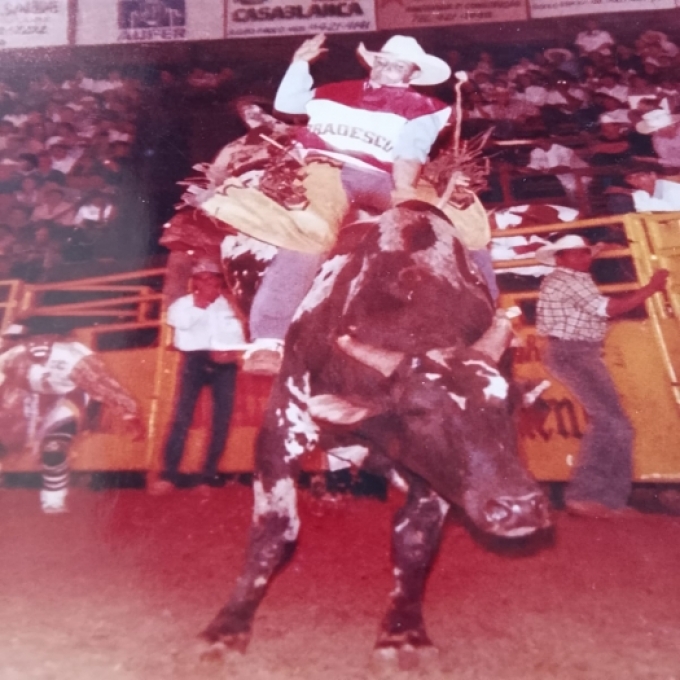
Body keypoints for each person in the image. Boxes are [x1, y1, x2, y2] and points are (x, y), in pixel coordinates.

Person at [199, 34, 452, 374]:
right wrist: (300, 64)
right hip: (324, 168)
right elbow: (289, 106)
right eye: (383, 60)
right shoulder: (335, 90)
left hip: (385, 175)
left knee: (455, 222)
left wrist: (404, 192)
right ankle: (269, 340)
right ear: (373, 63)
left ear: (413, 73)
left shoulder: (426, 108)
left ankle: (476, 322)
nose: (388, 68)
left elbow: (411, 151)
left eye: (399, 64)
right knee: (309, 231)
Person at [535, 234, 669, 518]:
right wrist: (651, 289)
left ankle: (605, 500)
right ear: (561, 258)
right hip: (574, 352)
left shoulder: (565, 276)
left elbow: (584, 260)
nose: (585, 258)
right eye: (578, 254)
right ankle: (590, 496)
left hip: (573, 350)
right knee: (612, 422)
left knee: (613, 422)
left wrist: (598, 248)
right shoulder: (568, 281)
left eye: (586, 253)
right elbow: (608, 309)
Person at [0, 318, 144, 513]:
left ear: (58, 338)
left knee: (54, 449)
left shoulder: (75, 357)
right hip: (26, 401)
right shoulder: (11, 358)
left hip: (68, 398)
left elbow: (105, 385)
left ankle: (53, 501)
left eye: (45, 338)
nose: (38, 344)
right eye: (32, 339)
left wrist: (130, 415)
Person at [149, 259, 248, 495]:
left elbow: (239, 333)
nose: (208, 282)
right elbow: (179, 323)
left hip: (225, 363)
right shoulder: (181, 304)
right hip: (194, 361)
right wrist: (201, 304)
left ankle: (208, 476)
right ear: (194, 281)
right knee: (182, 417)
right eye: (203, 278)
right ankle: (169, 475)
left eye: (212, 278)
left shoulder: (231, 305)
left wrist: (233, 351)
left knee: (221, 420)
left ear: (218, 280)